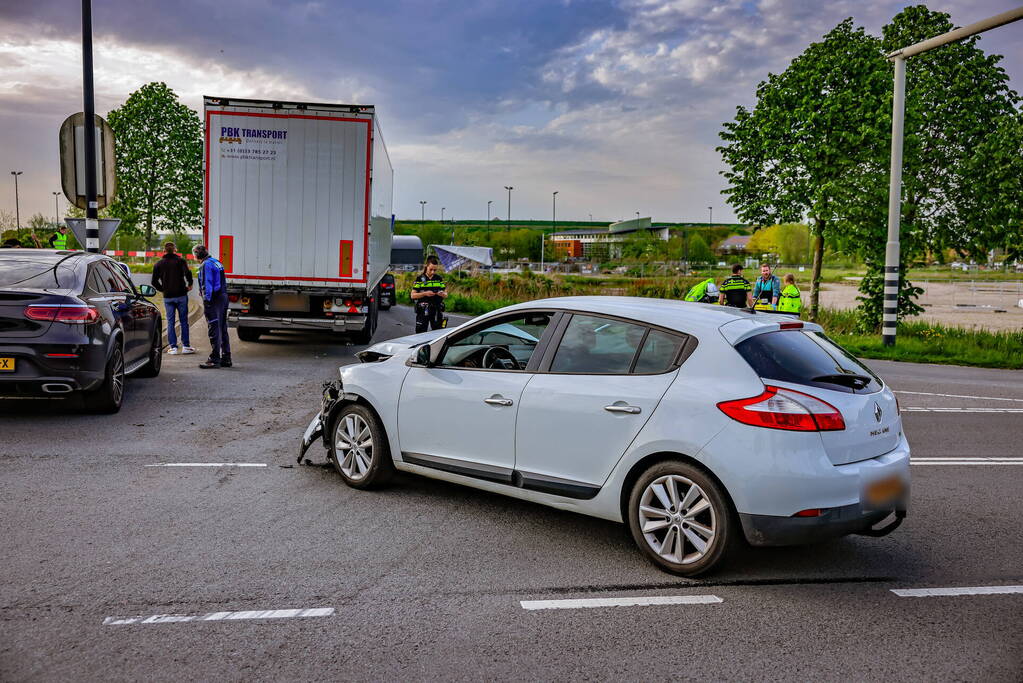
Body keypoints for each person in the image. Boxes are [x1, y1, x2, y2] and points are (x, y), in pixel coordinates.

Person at [152, 241, 195, 355]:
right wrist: (189, 284)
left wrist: (163, 289)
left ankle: (173, 348)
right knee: (184, 321)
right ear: (175, 250)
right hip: (181, 295)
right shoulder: (181, 261)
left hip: (168, 297)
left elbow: (154, 281)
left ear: (164, 251)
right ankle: (186, 346)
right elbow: (188, 273)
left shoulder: (159, 264)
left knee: (170, 322)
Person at [192, 244, 232, 369]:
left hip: (214, 299)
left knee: (213, 327)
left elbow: (207, 284)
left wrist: (206, 300)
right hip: (223, 297)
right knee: (222, 327)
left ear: (196, 255)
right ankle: (226, 357)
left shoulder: (206, 265)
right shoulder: (216, 262)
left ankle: (214, 359)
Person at [411, 256, 448, 333]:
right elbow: (413, 295)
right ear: (426, 266)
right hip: (423, 310)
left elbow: (446, 295)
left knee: (438, 333)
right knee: (420, 333)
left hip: (436, 309)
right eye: (431, 269)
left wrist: (442, 294)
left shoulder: (439, 279)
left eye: (435, 270)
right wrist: (425, 293)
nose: (433, 272)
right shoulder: (420, 279)